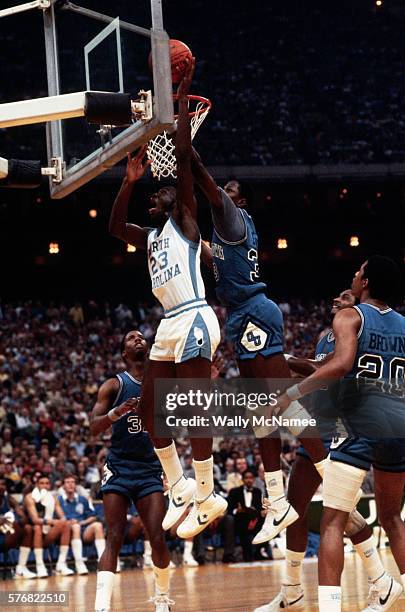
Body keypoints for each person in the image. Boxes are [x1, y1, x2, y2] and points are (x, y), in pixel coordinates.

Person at [109, 59, 225, 540]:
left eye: (162, 191)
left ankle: (207, 492)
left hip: (196, 316)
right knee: (151, 413)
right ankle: (178, 486)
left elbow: (179, 153)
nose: (158, 193)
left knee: (193, 407)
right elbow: (115, 228)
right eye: (153, 193)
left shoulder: (185, 222)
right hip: (169, 324)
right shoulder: (150, 234)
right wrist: (128, 180)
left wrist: (182, 94)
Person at [189, 150, 328, 542]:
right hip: (239, 316)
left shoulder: (233, 217)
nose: (223, 194)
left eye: (230, 190)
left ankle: (330, 470)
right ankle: (278, 499)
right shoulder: (223, 239)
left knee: (282, 400)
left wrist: (188, 150)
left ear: (241, 200)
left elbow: (203, 178)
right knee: (261, 414)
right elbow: (206, 253)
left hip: (254, 311)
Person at [255, 288, 399, 611]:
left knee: (342, 516)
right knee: (295, 508)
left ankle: (382, 581)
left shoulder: (358, 329)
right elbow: (318, 370)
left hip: (343, 429)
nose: (336, 298)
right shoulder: (325, 336)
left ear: (358, 307)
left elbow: (334, 370)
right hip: (319, 424)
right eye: (335, 297)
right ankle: (291, 589)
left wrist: (290, 361)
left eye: (345, 296)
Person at [90, 329, 173, 612]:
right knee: (114, 535)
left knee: (157, 536)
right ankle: (102, 606)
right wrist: (117, 412)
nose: (138, 338)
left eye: (141, 336)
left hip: (150, 469)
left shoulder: (160, 381)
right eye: (130, 338)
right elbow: (93, 427)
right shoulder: (114, 385)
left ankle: (162, 600)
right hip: (119, 466)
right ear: (124, 353)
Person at [24, 473, 73, 577]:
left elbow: (62, 516)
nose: (45, 486)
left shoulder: (53, 498)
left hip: (47, 533)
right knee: (37, 527)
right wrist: (53, 522)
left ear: (50, 485)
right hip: (30, 535)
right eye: (42, 483)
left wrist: (65, 521)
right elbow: (35, 520)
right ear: (37, 484)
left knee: (66, 524)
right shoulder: (29, 497)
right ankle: (40, 565)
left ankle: (61, 565)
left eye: (47, 483)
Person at [58, 474, 105, 575]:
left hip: (83, 529)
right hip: (67, 531)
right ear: (63, 486)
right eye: (67, 482)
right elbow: (58, 519)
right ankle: (79, 564)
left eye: (72, 482)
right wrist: (70, 522)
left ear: (75, 485)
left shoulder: (82, 499)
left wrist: (82, 522)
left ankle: (103, 562)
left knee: (98, 525)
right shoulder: (59, 500)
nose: (70, 485)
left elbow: (93, 516)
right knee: (76, 527)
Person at [0, 476, 35, 579]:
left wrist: (25, 498)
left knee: (28, 528)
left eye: (3, 484)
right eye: (0, 484)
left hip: (8, 535)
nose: (1, 487)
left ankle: (21, 569)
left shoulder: (9, 499)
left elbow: (23, 517)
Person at [226, 470, 263, 562]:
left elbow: (259, 509)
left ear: (254, 479)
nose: (249, 480)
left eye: (251, 478)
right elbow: (230, 510)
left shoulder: (258, 492)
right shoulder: (234, 492)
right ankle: (249, 556)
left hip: (254, 520)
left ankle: (259, 552)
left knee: (263, 522)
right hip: (240, 520)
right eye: (246, 478)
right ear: (242, 480)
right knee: (245, 529)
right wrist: (237, 510)